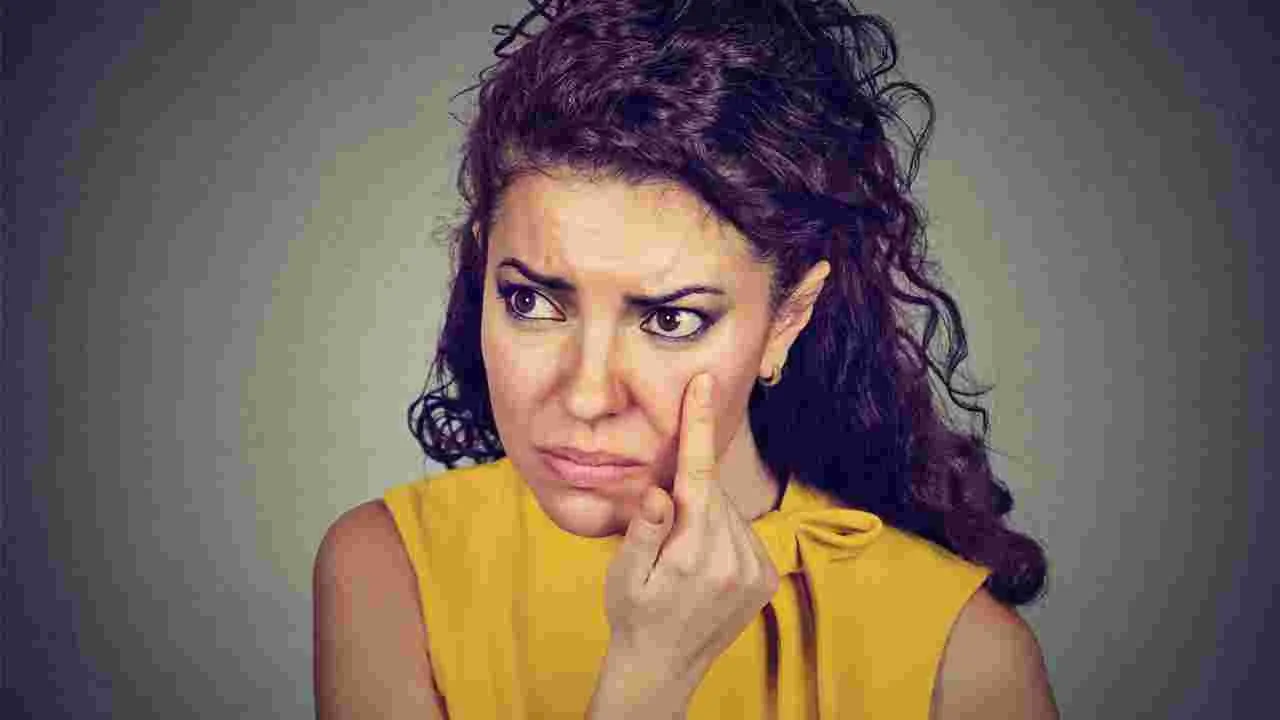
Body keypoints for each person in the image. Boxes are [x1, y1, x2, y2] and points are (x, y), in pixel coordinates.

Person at [314, 0, 1059, 717]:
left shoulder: (964, 660)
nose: (586, 396)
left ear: (787, 319)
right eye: (532, 301)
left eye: (670, 320)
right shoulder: (390, 571)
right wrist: (649, 680)